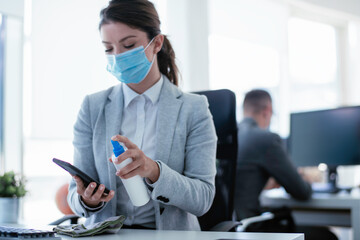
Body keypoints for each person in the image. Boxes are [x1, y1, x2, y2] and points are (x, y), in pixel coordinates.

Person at [67, 0, 217, 231]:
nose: (117, 56)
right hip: (107, 236)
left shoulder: (193, 109)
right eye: (108, 48)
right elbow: (73, 196)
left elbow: (203, 199)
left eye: (128, 45)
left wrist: (153, 170)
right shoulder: (92, 107)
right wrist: (87, 200)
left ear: (156, 43)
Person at [234, 89, 338, 239]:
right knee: (327, 236)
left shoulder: (229, 135)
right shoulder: (267, 139)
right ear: (267, 111)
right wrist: (303, 177)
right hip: (253, 228)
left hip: (231, 228)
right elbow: (302, 192)